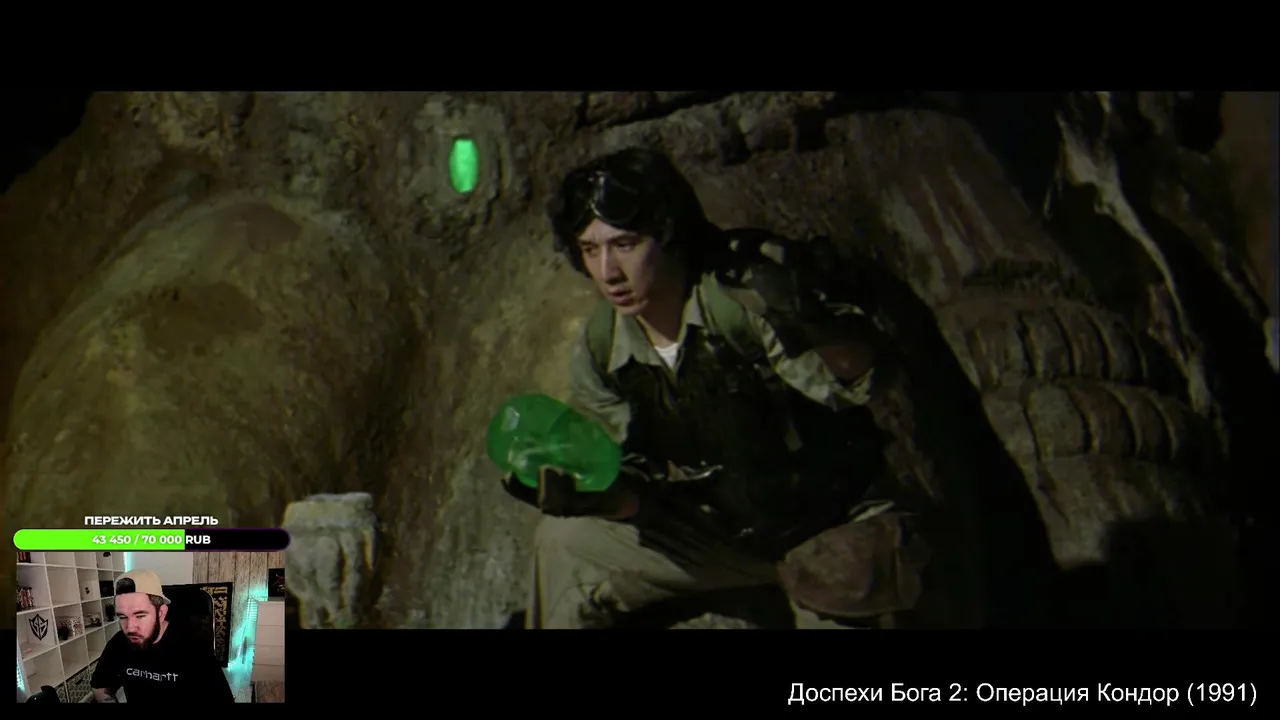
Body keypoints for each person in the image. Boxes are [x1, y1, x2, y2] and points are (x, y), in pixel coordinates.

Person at [503, 147, 932, 629]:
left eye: (625, 244)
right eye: (590, 250)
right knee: (563, 542)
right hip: (717, 534)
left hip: (826, 525)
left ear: (668, 235)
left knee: (853, 580)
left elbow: (858, 384)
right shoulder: (604, 345)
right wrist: (594, 495)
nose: (608, 272)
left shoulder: (738, 299)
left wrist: (811, 321)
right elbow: (634, 475)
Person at [90, 569, 235, 703]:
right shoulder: (119, 643)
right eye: (123, 617)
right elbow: (100, 685)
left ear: (161, 613)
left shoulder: (194, 647)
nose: (130, 627)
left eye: (140, 616)